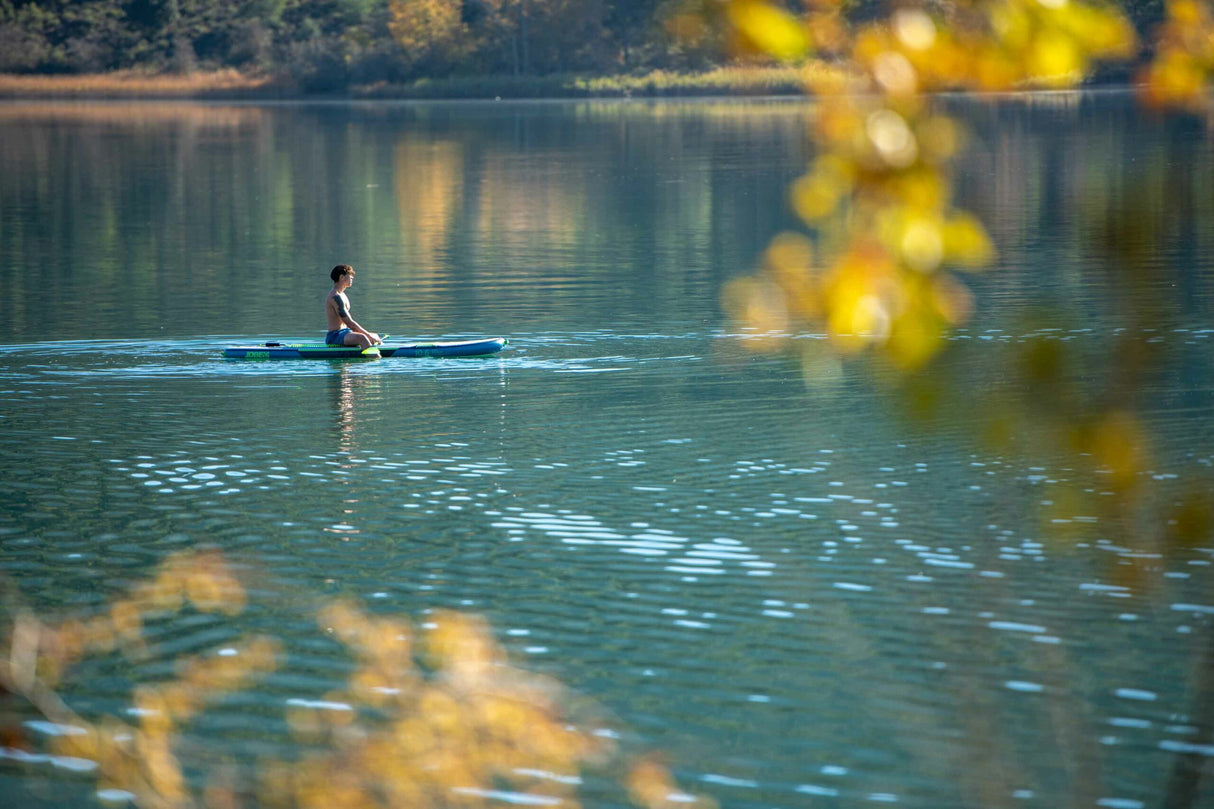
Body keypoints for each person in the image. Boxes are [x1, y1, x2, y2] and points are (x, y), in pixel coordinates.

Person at [325, 264, 381, 348]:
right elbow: (349, 323)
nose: (352, 278)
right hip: (335, 336)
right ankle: (375, 359)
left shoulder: (342, 294)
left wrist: (370, 336)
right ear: (341, 277)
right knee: (363, 338)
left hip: (345, 332)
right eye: (350, 276)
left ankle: (381, 351)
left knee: (375, 335)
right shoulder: (335, 297)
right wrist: (367, 335)